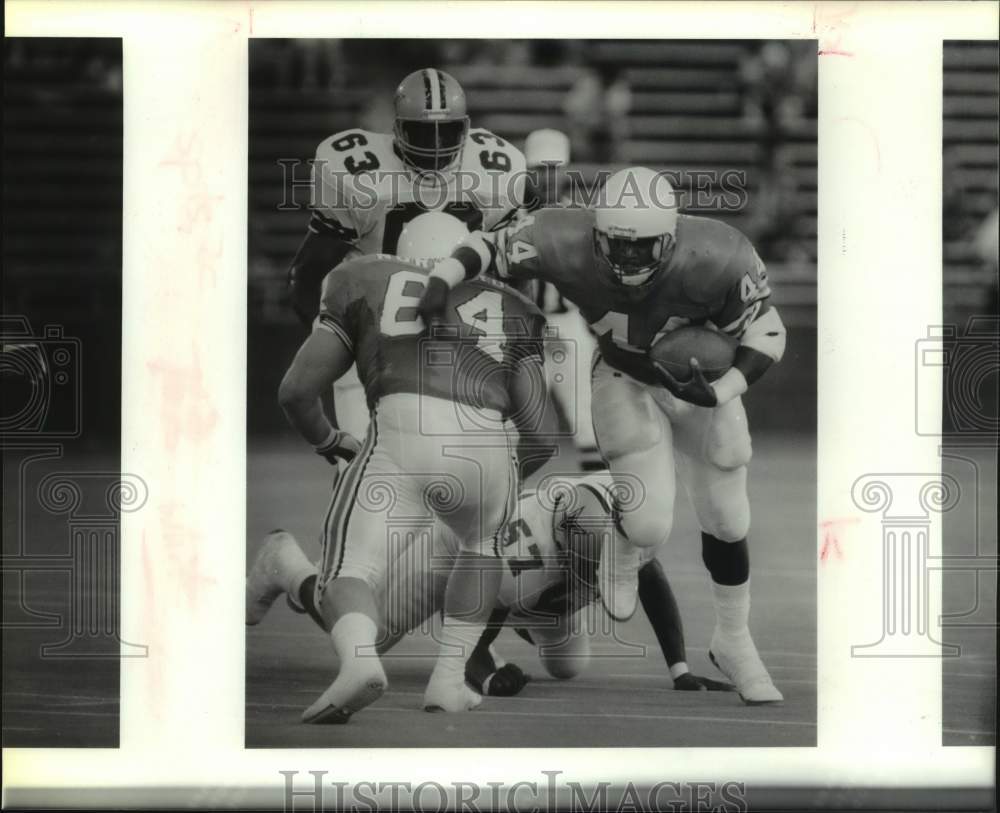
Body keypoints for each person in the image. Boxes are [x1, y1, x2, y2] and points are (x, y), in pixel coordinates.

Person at [415, 167, 787, 704]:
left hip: (701, 385)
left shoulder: (719, 253)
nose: (629, 261)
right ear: (594, 233)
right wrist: (439, 282)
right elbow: (485, 245)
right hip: (622, 374)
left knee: (729, 513)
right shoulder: (560, 235)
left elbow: (768, 329)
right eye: (619, 247)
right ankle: (622, 546)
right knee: (646, 521)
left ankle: (734, 639)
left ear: (673, 238)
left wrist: (723, 388)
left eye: (644, 250)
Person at [275, 212, 556, 721]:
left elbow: (295, 391)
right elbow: (541, 431)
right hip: (487, 443)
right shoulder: (516, 306)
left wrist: (329, 440)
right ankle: (449, 681)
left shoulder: (360, 278)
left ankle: (360, 663)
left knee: (350, 569)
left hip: (403, 431)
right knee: (481, 546)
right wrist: (501, 482)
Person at [247, 474, 733, 698]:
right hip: (457, 554)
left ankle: (530, 623)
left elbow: (649, 576)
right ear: (566, 548)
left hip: (536, 587)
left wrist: (680, 669)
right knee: (369, 639)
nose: (601, 582)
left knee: (568, 666)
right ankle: (286, 565)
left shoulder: (629, 519)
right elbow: (474, 619)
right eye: (594, 571)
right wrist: (482, 672)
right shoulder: (523, 554)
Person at [286, 67, 526, 441]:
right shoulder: (356, 172)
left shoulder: (496, 170)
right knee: (367, 465)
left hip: (455, 335)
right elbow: (309, 272)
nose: (434, 146)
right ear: (397, 128)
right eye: (421, 132)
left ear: (464, 128)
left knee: (458, 465)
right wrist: (339, 344)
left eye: (445, 132)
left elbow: (513, 272)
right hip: (370, 331)